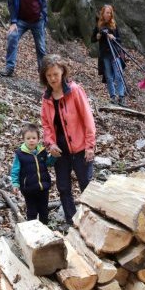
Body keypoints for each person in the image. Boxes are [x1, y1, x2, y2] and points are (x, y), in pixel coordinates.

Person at [39, 54, 96, 224]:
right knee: (63, 187)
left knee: (86, 184)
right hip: (60, 151)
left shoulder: (75, 90)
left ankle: (92, 219)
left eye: (55, 74)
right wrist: (50, 144)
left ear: (63, 72)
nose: (53, 78)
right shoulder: (46, 97)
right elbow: (46, 125)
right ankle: (72, 221)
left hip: (80, 148)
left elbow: (87, 118)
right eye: (49, 75)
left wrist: (90, 145)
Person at [10, 124, 55, 225]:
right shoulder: (20, 154)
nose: (31, 140)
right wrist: (15, 183)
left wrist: (53, 157)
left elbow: (48, 163)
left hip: (43, 187)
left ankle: (45, 228)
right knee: (31, 211)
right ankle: (31, 229)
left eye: (34, 138)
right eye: (28, 138)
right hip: (28, 189)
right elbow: (15, 170)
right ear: (24, 139)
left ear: (38, 139)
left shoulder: (42, 152)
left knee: (44, 210)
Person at [4, 0, 48, 77]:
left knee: (41, 47)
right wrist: (13, 22)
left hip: (37, 20)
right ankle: (9, 68)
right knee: (12, 36)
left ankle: (44, 74)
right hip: (20, 20)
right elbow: (11, 3)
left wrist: (44, 14)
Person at [91, 5, 127, 106]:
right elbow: (92, 39)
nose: (108, 14)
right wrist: (97, 37)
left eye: (110, 13)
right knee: (109, 77)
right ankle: (112, 97)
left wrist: (113, 37)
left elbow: (120, 40)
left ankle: (121, 97)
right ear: (102, 13)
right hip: (104, 55)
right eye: (107, 12)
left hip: (115, 53)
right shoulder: (98, 26)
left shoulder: (114, 25)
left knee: (118, 74)